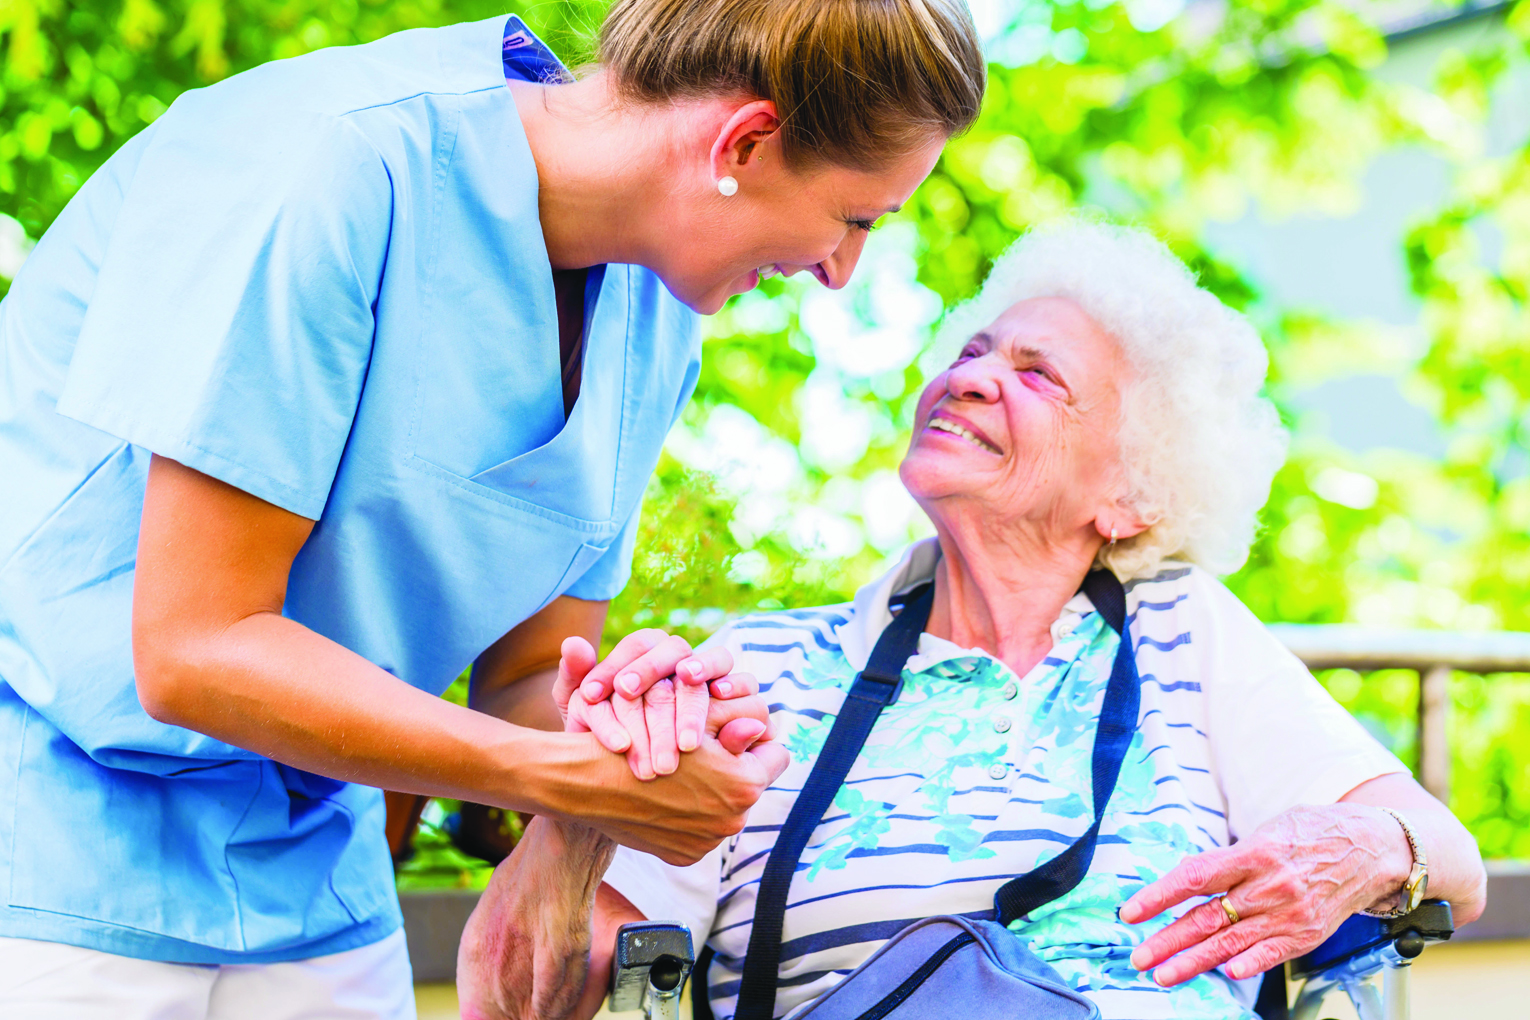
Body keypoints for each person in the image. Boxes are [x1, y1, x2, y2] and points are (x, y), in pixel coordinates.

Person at [0, 2, 987, 1018]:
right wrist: (566, 778)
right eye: (856, 216)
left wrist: (640, 732)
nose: (841, 271)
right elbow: (192, 648)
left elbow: (520, 681)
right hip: (54, 847)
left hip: (313, 879)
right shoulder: (328, 161)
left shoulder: (653, 316)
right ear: (743, 141)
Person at [470, 219, 1488, 1020]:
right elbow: (516, 1001)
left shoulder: (1188, 634)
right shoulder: (761, 671)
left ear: (1131, 496)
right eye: (973, 350)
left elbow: (1449, 861)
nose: (973, 374)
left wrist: (1361, 847)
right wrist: (578, 812)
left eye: (1039, 375)